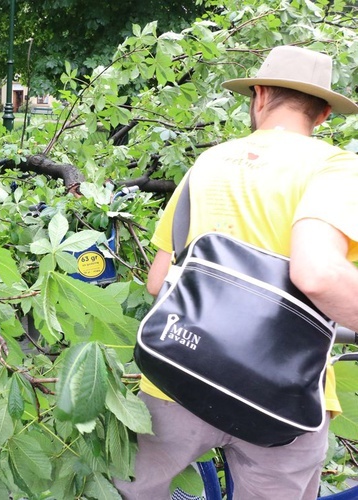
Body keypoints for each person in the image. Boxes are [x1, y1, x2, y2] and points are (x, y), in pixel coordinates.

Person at [114, 45, 358, 499]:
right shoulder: (336, 168)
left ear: (259, 95)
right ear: (323, 114)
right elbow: (320, 275)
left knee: (137, 491)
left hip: (180, 371)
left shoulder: (208, 163)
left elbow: (157, 282)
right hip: (281, 399)